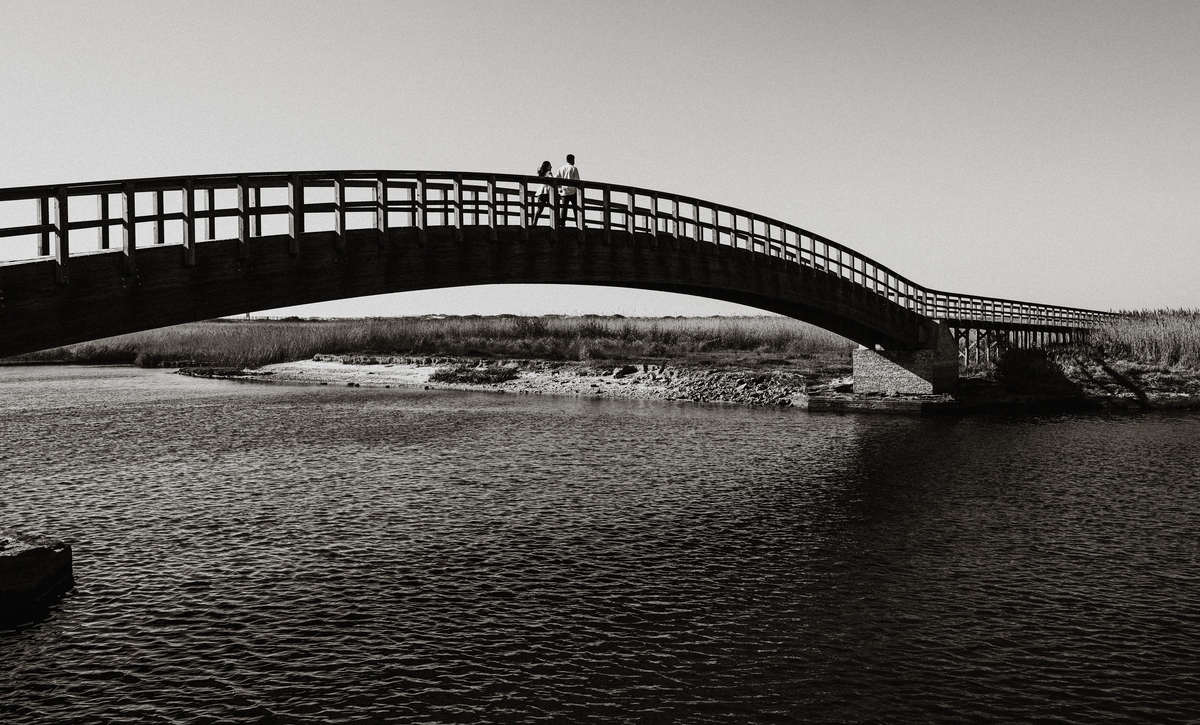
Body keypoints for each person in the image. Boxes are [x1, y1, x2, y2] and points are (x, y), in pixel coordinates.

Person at [555, 154, 580, 226]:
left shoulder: (560, 169)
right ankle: (578, 223)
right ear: (572, 160)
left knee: (564, 208)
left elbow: (556, 180)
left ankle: (562, 223)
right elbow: (577, 181)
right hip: (572, 191)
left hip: (564, 191)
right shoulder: (574, 168)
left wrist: (559, 188)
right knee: (576, 208)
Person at [530, 160, 553, 225]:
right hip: (547, 192)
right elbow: (552, 180)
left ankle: (534, 222)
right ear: (548, 166)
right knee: (554, 207)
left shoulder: (542, 173)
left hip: (541, 192)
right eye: (550, 166)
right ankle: (556, 223)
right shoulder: (549, 173)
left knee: (539, 209)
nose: (551, 167)